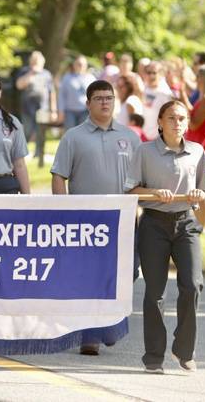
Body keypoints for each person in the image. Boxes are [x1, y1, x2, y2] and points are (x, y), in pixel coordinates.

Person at [51, 79, 142, 356]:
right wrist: (63, 213)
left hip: (123, 220)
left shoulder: (130, 137)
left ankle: (108, 323)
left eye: (109, 98)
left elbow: (140, 180)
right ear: (88, 103)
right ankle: (91, 334)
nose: (105, 102)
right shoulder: (74, 137)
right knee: (90, 277)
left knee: (128, 272)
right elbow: (59, 176)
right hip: (85, 220)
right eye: (99, 98)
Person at [125, 100, 205, 374]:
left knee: (193, 285)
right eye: (171, 118)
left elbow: (203, 192)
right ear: (160, 122)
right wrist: (153, 193)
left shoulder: (197, 151)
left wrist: (198, 196)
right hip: (154, 226)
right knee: (155, 293)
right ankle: (153, 357)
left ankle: (184, 350)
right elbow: (131, 191)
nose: (177, 123)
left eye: (182, 118)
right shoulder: (145, 151)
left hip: (186, 224)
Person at [181, 65, 205, 229]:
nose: (196, 80)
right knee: (198, 189)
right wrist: (183, 96)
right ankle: (201, 224)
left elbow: (195, 124)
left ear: (203, 79)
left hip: (200, 149)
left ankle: (203, 225)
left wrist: (182, 117)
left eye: (198, 77)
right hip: (201, 148)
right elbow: (195, 114)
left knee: (200, 191)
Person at [57, 55, 96, 131]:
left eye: (82, 64)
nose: (80, 66)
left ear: (86, 65)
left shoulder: (91, 78)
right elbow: (61, 96)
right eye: (78, 64)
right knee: (70, 135)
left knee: (84, 135)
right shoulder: (67, 78)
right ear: (74, 65)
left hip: (85, 112)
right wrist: (60, 111)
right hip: (69, 112)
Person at [141, 61, 173, 140]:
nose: (151, 75)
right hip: (143, 136)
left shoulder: (165, 93)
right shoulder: (143, 88)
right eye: (149, 72)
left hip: (158, 139)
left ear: (160, 74)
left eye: (154, 73)